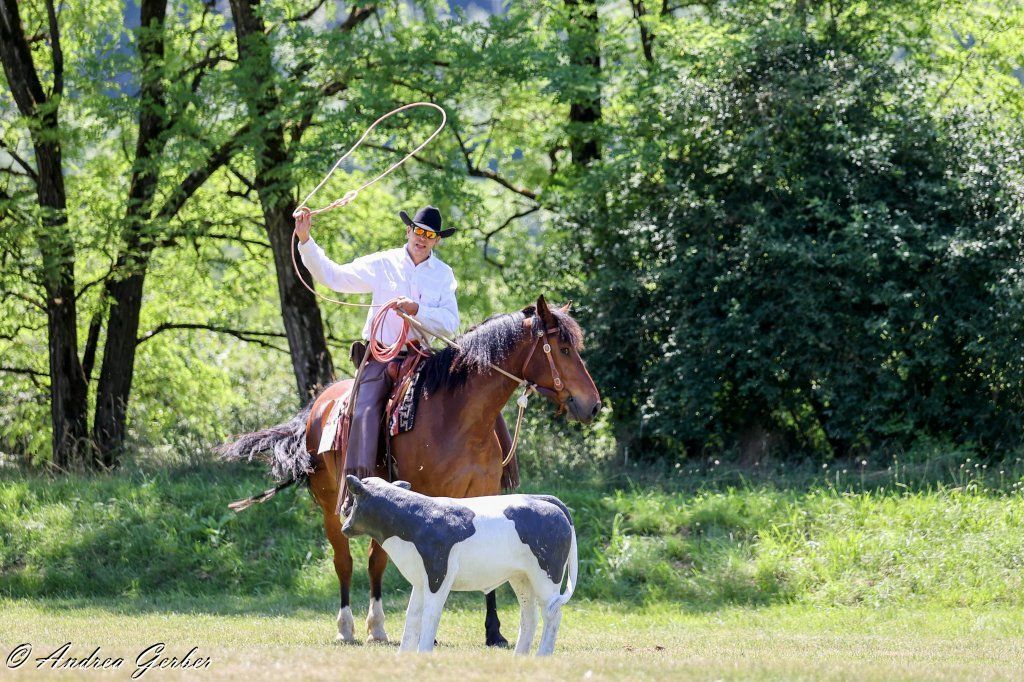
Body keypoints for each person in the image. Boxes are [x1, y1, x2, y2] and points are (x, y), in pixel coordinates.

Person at [295, 206, 514, 483]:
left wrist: (417, 309)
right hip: (381, 357)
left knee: (475, 395)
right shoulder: (383, 263)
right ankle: (358, 490)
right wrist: (306, 241)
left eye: (429, 235)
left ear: (437, 240)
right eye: (419, 232)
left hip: (422, 358)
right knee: (364, 410)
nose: (422, 239)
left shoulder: (443, 274)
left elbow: (449, 323)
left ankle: (497, 473)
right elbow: (334, 277)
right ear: (408, 231)